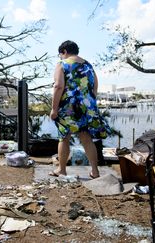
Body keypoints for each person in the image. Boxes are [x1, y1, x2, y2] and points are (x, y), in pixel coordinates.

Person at [49, 40, 112, 179]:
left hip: (68, 107)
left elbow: (58, 86)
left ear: (64, 51)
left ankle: (62, 170)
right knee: (86, 138)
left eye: (60, 54)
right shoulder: (88, 65)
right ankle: (95, 171)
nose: (60, 57)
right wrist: (89, 102)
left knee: (64, 138)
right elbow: (95, 85)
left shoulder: (62, 64)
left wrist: (54, 109)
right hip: (87, 106)